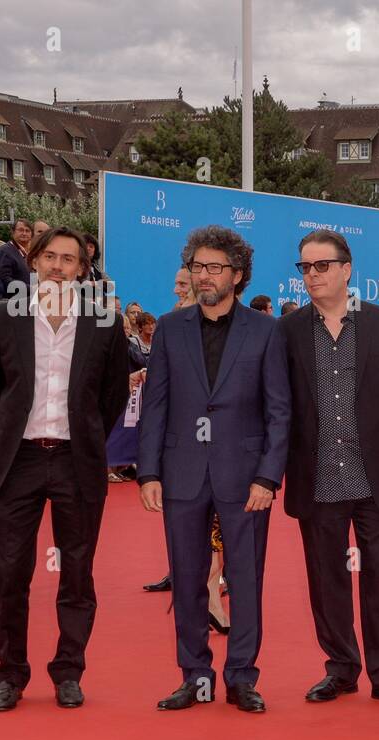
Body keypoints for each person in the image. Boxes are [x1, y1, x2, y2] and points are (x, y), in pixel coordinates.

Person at [0, 227, 131, 712]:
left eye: (70, 259)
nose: (58, 266)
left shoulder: (105, 323)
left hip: (75, 461)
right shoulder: (3, 318)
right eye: (50, 257)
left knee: (77, 575)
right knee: (7, 575)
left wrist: (83, 436)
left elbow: (113, 395)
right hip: (18, 460)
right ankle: (11, 674)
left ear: (83, 270)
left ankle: (69, 670)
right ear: (33, 261)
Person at [138, 226, 289, 714]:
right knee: (186, 577)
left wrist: (268, 477)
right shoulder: (169, 328)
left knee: (245, 578)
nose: (204, 276)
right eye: (197, 267)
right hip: (181, 471)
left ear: (237, 275)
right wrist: (148, 472)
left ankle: (242, 676)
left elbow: (279, 411)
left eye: (215, 268)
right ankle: (195, 676)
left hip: (245, 477)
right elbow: (154, 405)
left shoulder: (266, 331)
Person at [282, 229, 379, 704]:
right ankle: (340, 668)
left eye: (322, 266)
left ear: (346, 269)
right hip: (316, 478)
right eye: (305, 268)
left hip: (375, 478)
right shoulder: (290, 330)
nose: (312, 275)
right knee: (327, 580)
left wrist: (374, 434)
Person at [0, 220, 34, 299]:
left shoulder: (25, 253)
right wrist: (32, 289)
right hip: (13, 303)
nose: (24, 233)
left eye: (27, 231)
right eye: (21, 230)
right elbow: (4, 280)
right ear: (13, 232)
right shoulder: (5, 251)